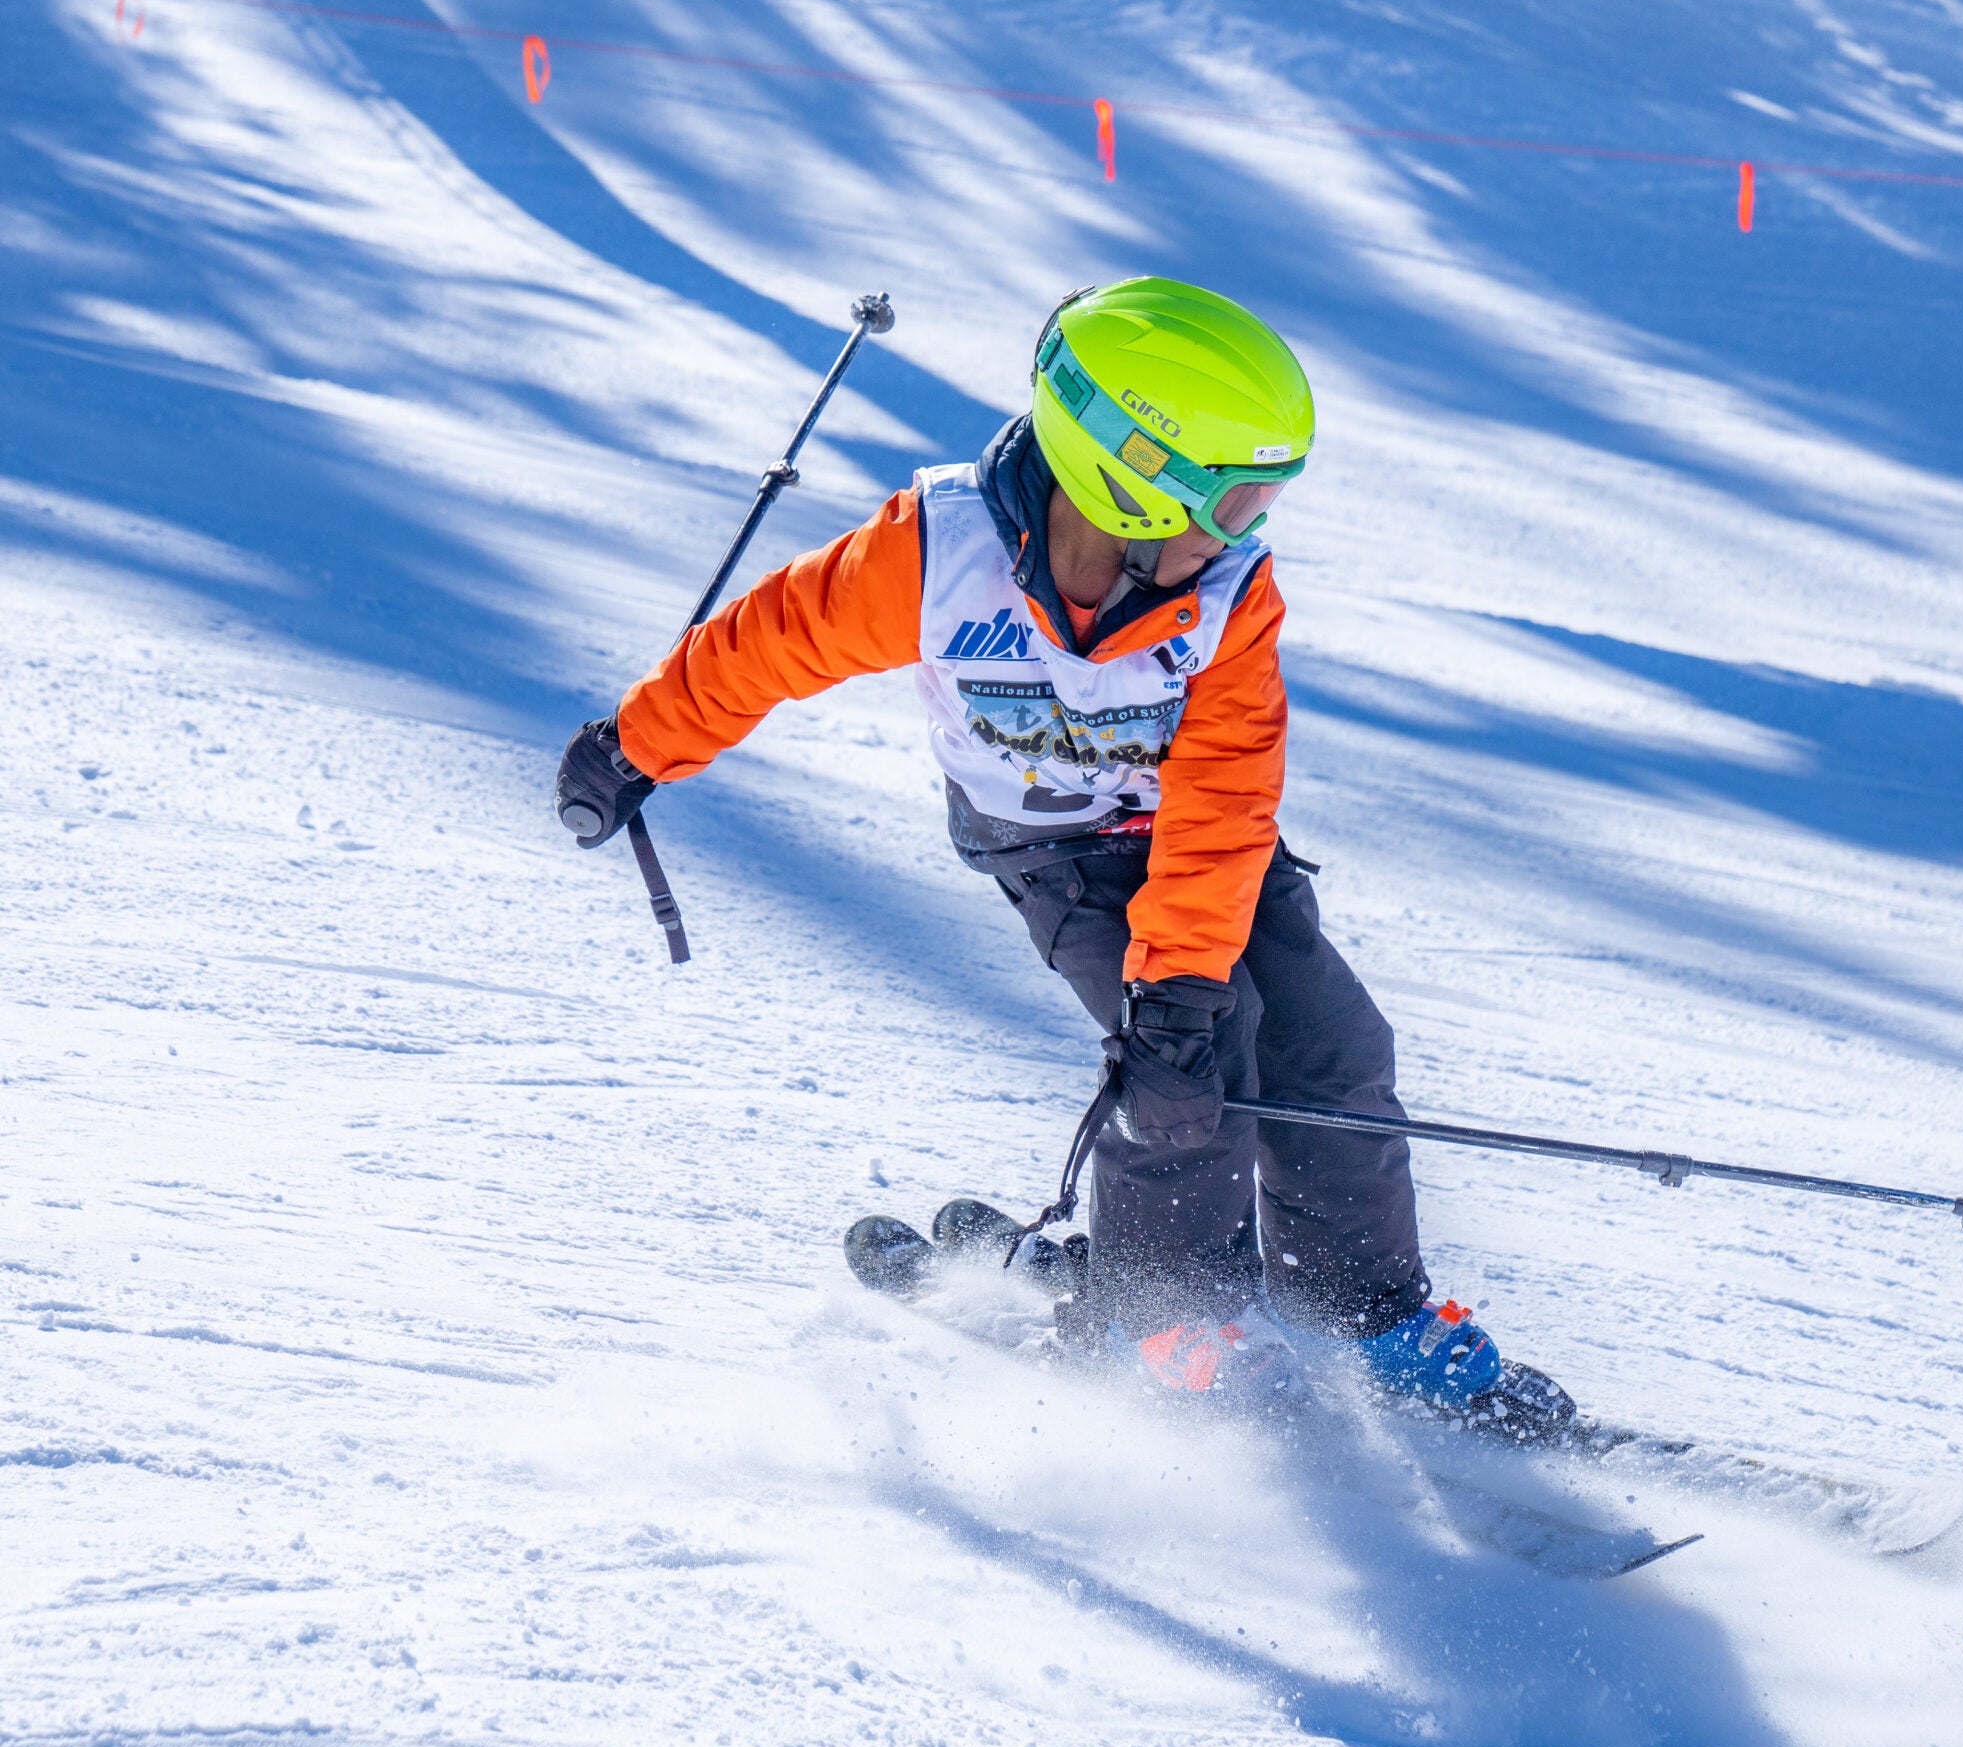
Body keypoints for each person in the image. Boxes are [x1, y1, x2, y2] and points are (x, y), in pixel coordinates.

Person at [556, 277, 1547, 1418]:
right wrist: (637, 748)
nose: (1248, 531)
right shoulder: (936, 554)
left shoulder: (1228, 593)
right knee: (1188, 1074)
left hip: (1202, 847)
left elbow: (1226, 787)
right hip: (1055, 854)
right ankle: (1166, 1318)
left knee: (1329, 1040)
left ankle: (1361, 1309)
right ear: (1129, 475)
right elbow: (767, 643)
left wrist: (1177, 976)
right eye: (1232, 503)